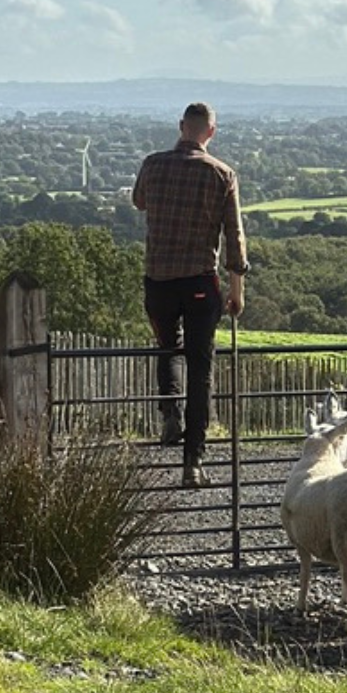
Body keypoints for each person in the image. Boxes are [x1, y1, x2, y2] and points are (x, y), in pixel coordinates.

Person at [132, 102, 248, 488]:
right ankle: (193, 461)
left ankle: (170, 412)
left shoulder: (153, 164)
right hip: (200, 282)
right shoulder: (222, 174)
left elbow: (139, 201)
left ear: (182, 126)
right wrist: (236, 292)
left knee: (167, 346)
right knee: (201, 368)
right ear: (211, 132)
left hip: (158, 279)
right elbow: (234, 237)